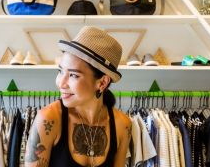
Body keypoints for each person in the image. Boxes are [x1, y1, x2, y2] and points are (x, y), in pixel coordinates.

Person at [24, 26, 132, 167]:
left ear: (103, 82)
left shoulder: (122, 125)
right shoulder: (49, 119)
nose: (61, 83)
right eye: (60, 71)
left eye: (74, 75)